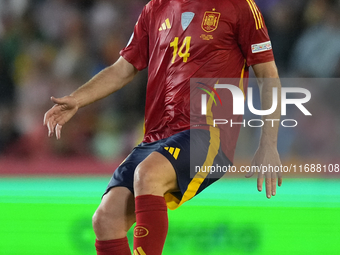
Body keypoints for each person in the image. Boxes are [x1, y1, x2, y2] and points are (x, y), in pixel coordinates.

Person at [44, 0, 282, 254]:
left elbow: (268, 75)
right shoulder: (155, 8)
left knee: (148, 175)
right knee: (105, 219)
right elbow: (123, 69)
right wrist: (77, 99)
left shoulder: (239, 6)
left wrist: (268, 143)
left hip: (208, 133)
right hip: (156, 138)